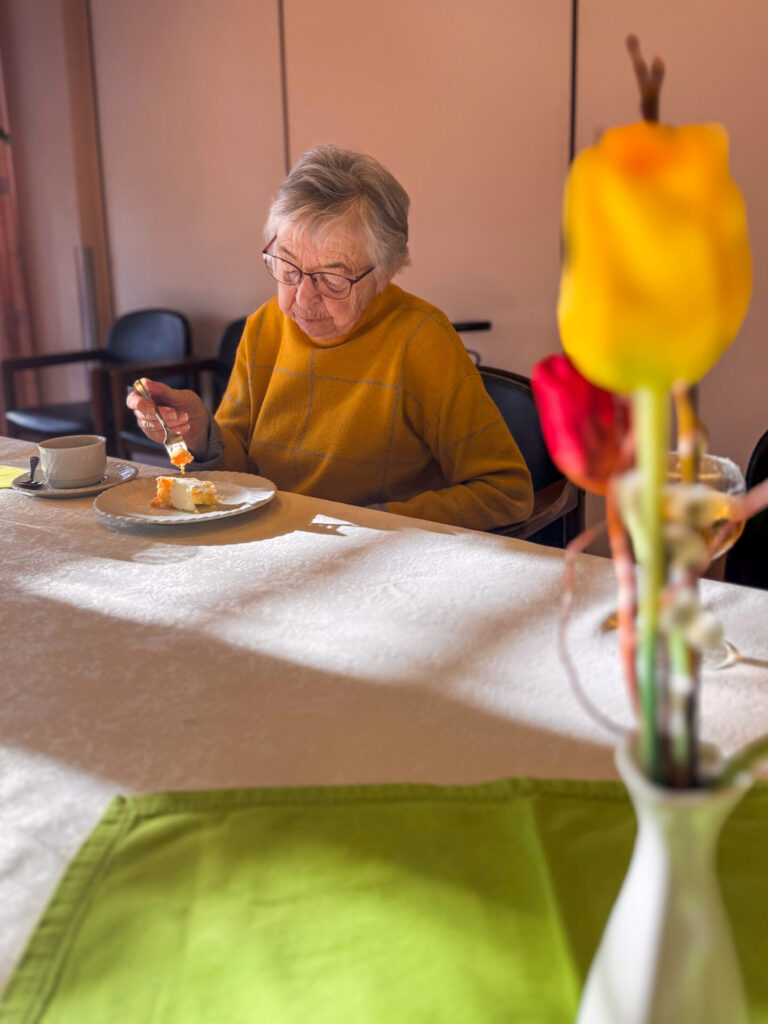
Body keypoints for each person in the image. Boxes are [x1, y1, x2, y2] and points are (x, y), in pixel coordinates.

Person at [127, 145, 533, 531]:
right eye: (287, 267)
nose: (302, 299)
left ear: (385, 272)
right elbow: (237, 477)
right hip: (271, 551)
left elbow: (505, 492)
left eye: (332, 278)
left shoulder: (421, 339)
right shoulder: (264, 327)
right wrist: (198, 436)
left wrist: (369, 524)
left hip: (379, 571)